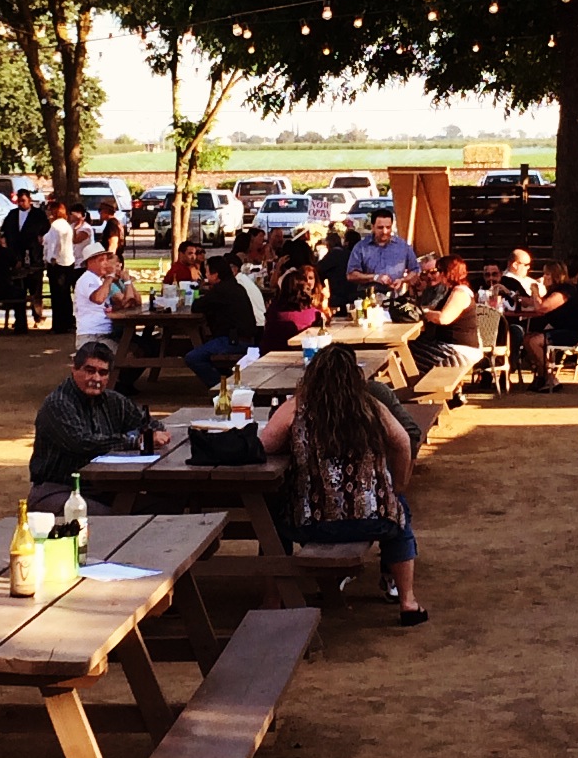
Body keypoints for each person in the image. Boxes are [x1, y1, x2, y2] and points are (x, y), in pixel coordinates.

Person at [259, 336, 427, 625]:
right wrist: (398, 486)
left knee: (271, 520)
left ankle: (273, 599)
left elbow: (265, 444)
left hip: (311, 522)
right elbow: (402, 442)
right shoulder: (372, 406)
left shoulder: (299, 406)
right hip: (375, 518)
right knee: (400, 516)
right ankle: (407, 602)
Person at [31, 339, 169, 504]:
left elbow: (148, 422)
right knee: (120, 519)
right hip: (59, 489)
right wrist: (135, 441)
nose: (96, 378)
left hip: (102, 487)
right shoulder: (59, 404)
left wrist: (153, 433)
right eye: (90, 371)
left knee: (165, 505)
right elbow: (83, 443)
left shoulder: (113, 400)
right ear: (74, 369)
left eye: (103, 373)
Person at [183, 254, 260, 383]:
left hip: (233, 341)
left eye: (207, 272)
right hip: (247, 338)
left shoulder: (220, 290)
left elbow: (197, 306)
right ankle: (225, 380)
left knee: (192, 357)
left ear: (216, 275)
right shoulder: (236, 286)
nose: (206, 276)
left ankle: (219, 387)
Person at [521, 258, 578, 391]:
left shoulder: (565, 291)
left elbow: (542, 308)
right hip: (562, 330)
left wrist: (535, 291)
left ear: (557, 275)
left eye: (548, 274)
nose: (544, 277)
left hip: (574, 332)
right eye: (544, 273)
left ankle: (550, 378)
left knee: (534, 341)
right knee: (527, 339)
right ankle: (542, 376)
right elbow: (539, 304)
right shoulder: (554, 290)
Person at [409, 256, 480, 383]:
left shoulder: (460, 293)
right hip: (449, 345)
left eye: (440, 270)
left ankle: (419, 390)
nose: (438, 274)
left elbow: (443, 318)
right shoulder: (451, 291)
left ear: (448, 273)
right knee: (413, 345)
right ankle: (417, 387)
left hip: (459, 350)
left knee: (410, 353)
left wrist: (425, 313)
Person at [0, 189, 46, 330]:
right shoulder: (12, 215)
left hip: (34, 256)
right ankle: (20, 318)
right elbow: (4, 232)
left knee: (35, 289)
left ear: (29, 200)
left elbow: (44, 233)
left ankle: (37, 316)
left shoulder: (38, 215)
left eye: (23, 200)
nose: (21, 203)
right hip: (15, 256)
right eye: (19, 201)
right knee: (19, 289)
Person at [344, 210, 416, 300]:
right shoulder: (361, 247)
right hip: (368, 299)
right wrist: (375, 277)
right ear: (372, 227)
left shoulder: (402, 246)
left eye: (388, 227)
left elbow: (415, 270)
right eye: (380, 228)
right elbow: (350, 275)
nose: (385, 231)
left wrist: (403, 280)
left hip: (396, 299)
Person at [72, 247, 138, 339]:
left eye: (106, 259)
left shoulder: (98, 280)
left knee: (137, 346)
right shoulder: (87, 278)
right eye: (101, 260)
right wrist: (110, 276)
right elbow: (98, 299)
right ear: (91, 262)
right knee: (128, 351)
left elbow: (128, 302)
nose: (106, 263)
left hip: (105, 331)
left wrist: (127, 282)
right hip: (93, 334)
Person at [40, 198, 78, 332]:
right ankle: (67, 322)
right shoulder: (65, 225)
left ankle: (59, 325)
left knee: (58, 295)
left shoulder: (56, 226)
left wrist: (51, 258)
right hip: (68, 262)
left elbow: (55, 245)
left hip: (58, 264)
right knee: (65, 294)